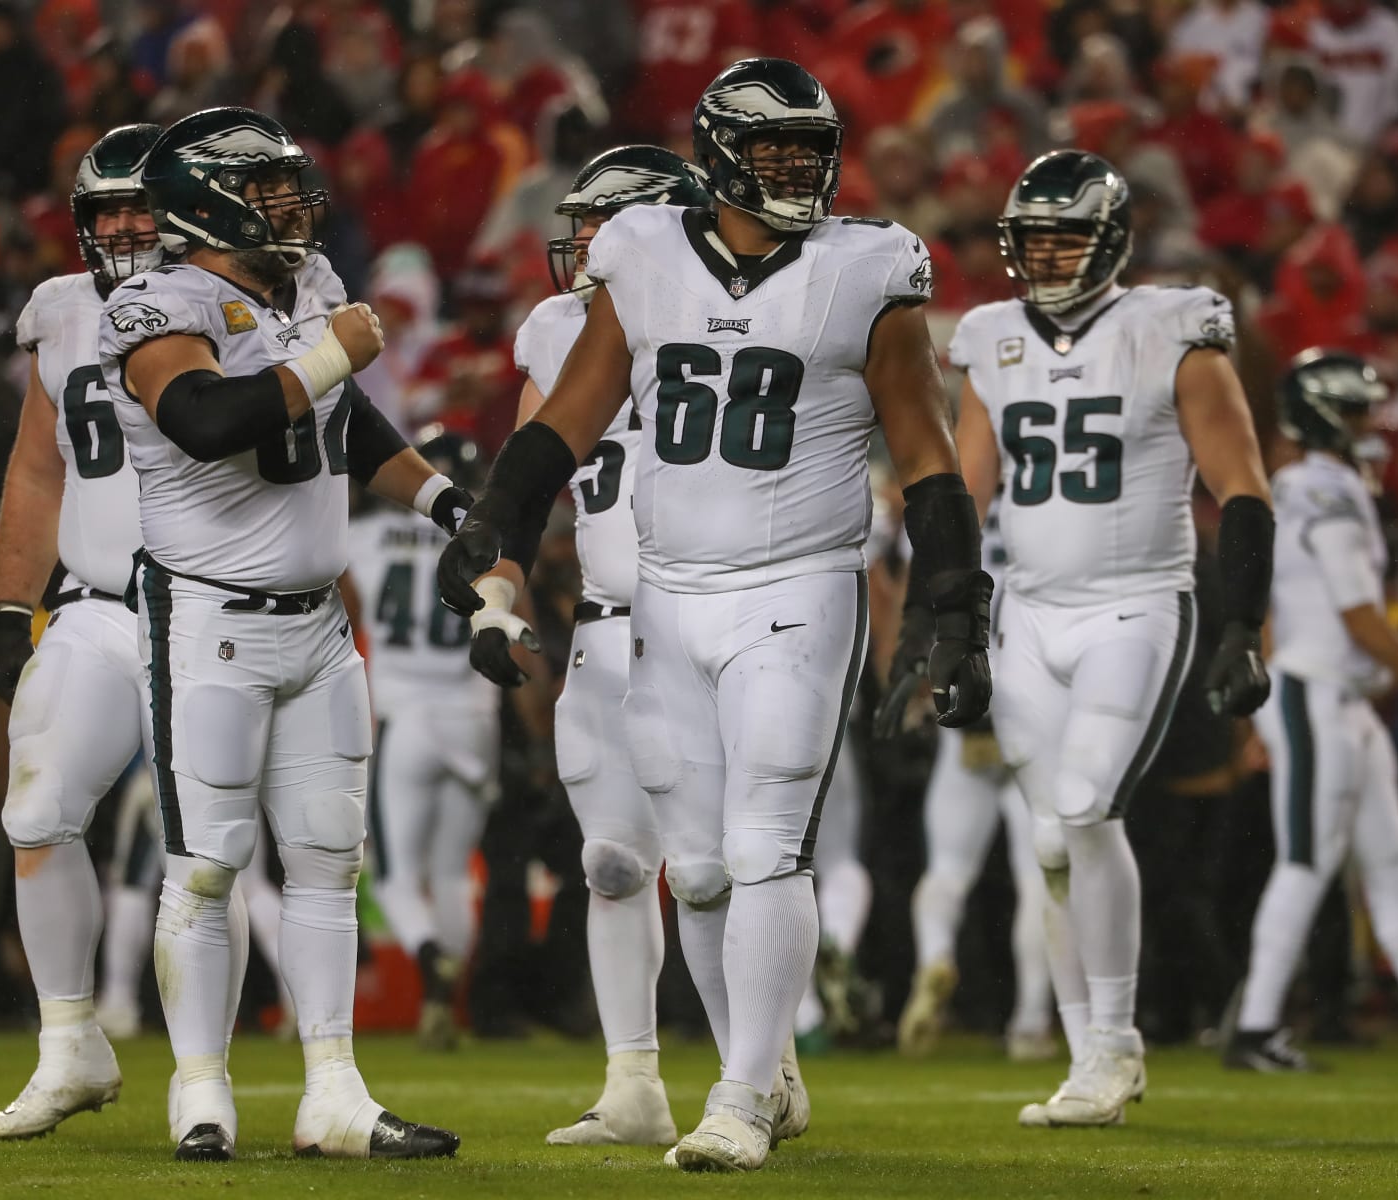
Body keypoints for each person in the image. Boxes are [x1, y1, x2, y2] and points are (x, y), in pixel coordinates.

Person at [439, 59, 991, 1172]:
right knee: (693, 868)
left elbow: (927, 457)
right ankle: (766, 1071)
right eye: (775, 147)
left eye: (809, 147)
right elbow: (573, 415)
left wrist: (955, 608)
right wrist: (494, 524)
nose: (796, 167)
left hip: (798, 589)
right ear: (722, 151)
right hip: (667, 588)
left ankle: (738, 1095)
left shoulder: (865, 268)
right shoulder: (641, 253)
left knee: (765, 842)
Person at [98, 106, 470, 1162]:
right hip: (207, 616)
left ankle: (334, 1093)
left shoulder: (309, 291)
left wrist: (447, 504)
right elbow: (206, 421)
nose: (287, 203)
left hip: (317, 625)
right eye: (263, 186)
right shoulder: (152, 303)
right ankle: (202, 1092)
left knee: (322, 861)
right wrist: (321, 358)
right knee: (207, 863)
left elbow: (349, 428)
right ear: (207, 197)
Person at [945, 149, 1275, 1128]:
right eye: (1032, 239)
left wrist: (1242, 624)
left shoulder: (1173, 328)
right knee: (1049, 839)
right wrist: (948, 626)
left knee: (1087, 808)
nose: (1045, 257)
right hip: (1026, 611)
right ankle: (1090, 1054)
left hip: (1137, 603)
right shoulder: (990, 338)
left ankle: (1118, 1042)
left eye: (1066, 237)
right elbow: (964, 497)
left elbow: (1244, 488)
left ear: (1113, 241)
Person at [0, 124, 225, 1140]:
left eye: (141, 205)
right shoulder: (62, 312)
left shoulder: (229, 299)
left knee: (204, 855)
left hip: (207, 603)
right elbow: (39, 469)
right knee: (37, 814)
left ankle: (202, 1081)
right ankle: (70, 1042)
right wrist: (9, 603)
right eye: (107, 210)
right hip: (91, 605)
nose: (125, 226)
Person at [1225, 349, 1398, 1074]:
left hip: (1335, 697)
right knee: (1306, 862)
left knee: (1390, 859)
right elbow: (1358, 616)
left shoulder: (1296, 486)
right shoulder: (1325, 493)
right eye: (1356, 412)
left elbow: (1267, 603)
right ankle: (1254, 1029)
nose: (1370, 426)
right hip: (1317, 693)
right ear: (1326, 416)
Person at [506, 144, 712, 1147]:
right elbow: (522, 480)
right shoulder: (550, 330)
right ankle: (633, 1082)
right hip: (599, 627)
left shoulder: (722, 319)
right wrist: (497, 593)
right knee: (614, 863)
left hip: (704, 620)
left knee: (718, 866)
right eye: (578, 227)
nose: (580, 246)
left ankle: (769, 1071)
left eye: (601, 227)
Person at [348, 425, 498, 1051]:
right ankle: (450, 999)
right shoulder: (490, 544)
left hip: (405, 715)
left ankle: (431, 957)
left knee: (394, 876)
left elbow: (345, 608)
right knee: (454, 872)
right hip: (474, 714)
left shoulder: (361, 538)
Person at [899, 503, 1053, 1062]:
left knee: (947, 871)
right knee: (1039, 873)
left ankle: (936, 956)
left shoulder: (960, 510)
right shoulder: (1047, 502)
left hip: (967, 701)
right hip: (1028, 699)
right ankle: (1031, 1022)